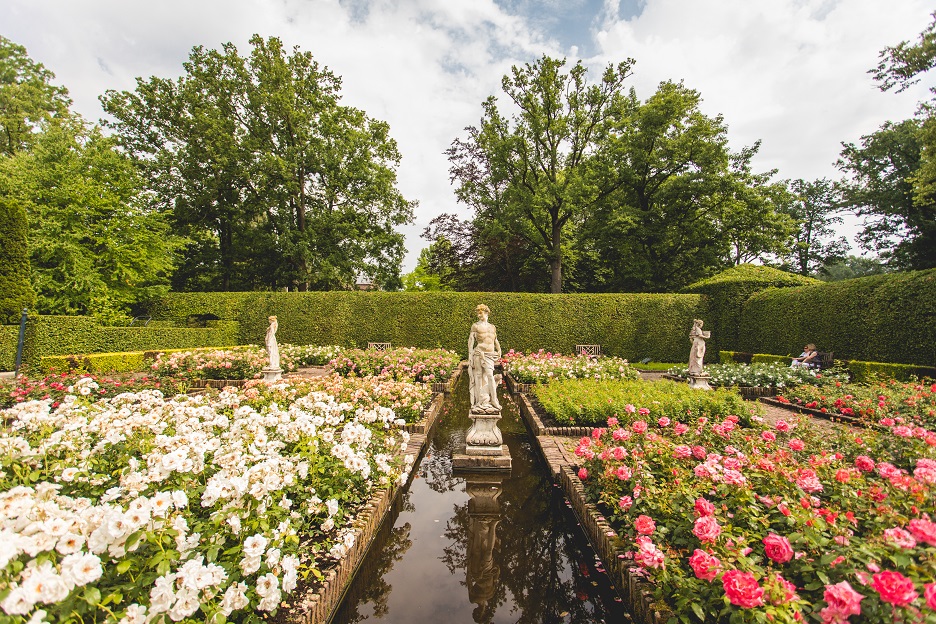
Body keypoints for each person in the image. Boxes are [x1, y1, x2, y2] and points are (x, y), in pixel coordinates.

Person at [468, 304, 502, 413]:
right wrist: (470, 354)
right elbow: (471, 341)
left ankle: (494, 400)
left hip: (490, 354)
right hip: (479, 352)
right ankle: (478, 401)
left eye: (480, 313)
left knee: (490, 376)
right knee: (478, 376)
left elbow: (495, 340)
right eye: (477, 313)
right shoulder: (475, 326)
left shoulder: (492, 327)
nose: (478, 315)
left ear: (486, 312)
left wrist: (499, 349)